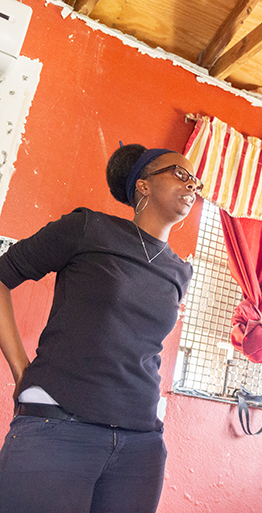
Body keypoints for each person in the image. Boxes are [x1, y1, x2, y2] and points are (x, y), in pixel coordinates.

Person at [0, 144, 202, 512]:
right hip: (58, 429)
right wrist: (20, 370)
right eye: (180, 173)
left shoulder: (180, 270)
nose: (193, 185)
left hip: (140, 445)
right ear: (143, 185)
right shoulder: (88, 229)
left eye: (196, 180)